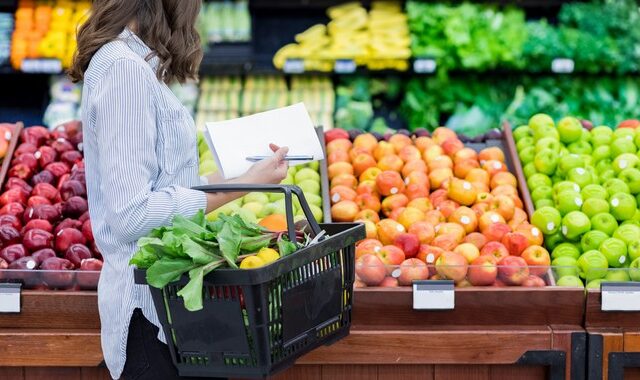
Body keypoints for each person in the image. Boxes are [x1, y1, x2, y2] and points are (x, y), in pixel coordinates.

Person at [68, 1, 288, 379]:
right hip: (147, 317)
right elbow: (132, 214)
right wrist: (237, 188)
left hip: (165, 309)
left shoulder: (131, 63)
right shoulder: (123, 69)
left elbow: (158, 189)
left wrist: (238, 175)